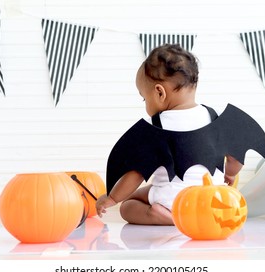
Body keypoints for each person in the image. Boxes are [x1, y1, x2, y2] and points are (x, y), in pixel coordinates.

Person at [96, 44, 243, 225]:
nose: (145, 102)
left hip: (172, 201)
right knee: (150, 190)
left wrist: (112, 198)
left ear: (159, 92)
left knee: (127, 205)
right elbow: (236, 157)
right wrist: (230, 174)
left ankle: (166, 217)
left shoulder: (155, 128)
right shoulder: (214, 117)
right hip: (212, 200)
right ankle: (185, 216)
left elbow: (136, 173)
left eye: (144, 97)